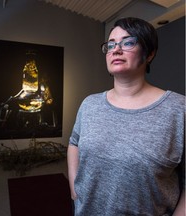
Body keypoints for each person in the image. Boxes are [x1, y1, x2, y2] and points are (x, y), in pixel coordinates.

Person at [68, 17, 185, 216]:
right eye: (111, 44)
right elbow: (74, 143)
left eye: (128, 42)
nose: (116, 49)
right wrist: (74, 188)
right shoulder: (90, 104)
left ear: (149, 53)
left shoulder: (178, 109)